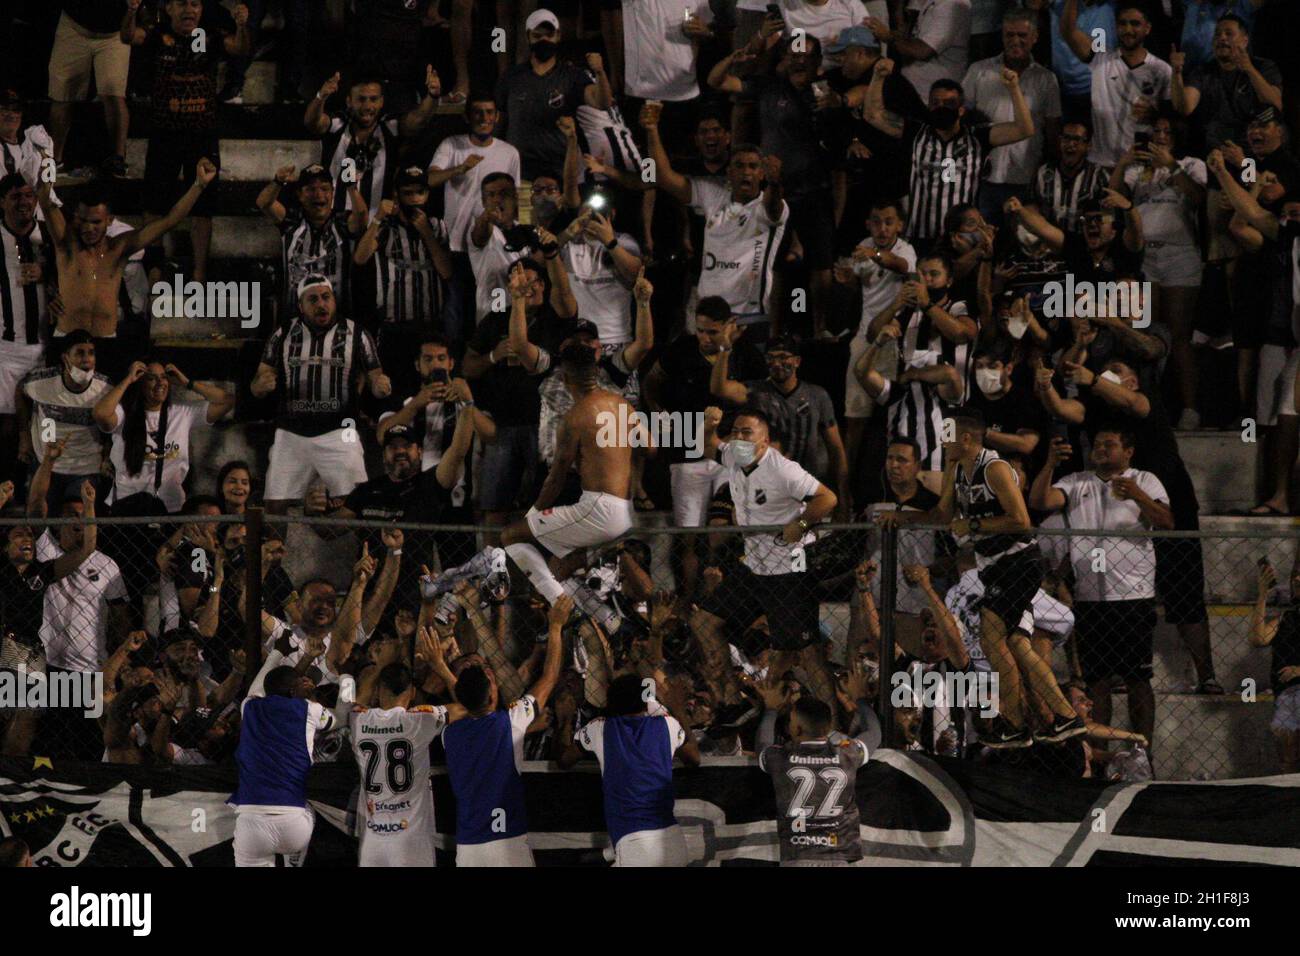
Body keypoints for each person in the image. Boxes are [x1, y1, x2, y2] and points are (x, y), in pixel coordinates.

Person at [881, 408, 1084, 748]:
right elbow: (943, 515)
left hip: (1017, 562)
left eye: (947, 435)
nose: (942, 442)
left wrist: (974, 526)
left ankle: (1016, 722)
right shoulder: (958, 469)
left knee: (992, 638)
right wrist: (902, 519)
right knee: (1017, 643)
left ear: (967, 437)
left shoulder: (996, 468)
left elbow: (1021, 520)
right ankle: (1065, 717)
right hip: (995, 567)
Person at [1029, 429, 1172, 755]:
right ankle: (1100, 758)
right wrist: (1050, 464)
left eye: (1110, 444)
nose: (1102, 449)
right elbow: (1039, 501)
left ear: (1129, 451)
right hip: (1091, 598)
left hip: (1134, 596)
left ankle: (1142, 754)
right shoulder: (1076, 481)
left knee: (1138, 679)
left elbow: (1166, 521)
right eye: (1097, 444)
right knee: (1097, 682)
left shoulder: (1145, 480)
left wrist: (1138, 494)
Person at [695, 405, 839, 697]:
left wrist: (800, 523)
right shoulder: (734, 458)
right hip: (754, 566)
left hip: (790, 567)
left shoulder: (783, 470)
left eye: (747, 432)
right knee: (704, 622)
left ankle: (833, 725)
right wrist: (710, 426)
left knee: (807, 652)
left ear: (764, 439)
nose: (739, 437)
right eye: (735, 431)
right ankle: (733, 699)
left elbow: (827, 498)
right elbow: (710, 447)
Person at [497, 342, 637, 612]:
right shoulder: (622, 405)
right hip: (625, 510)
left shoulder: (575, 417)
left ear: (563, 377)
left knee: (512, 535)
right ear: (596, 372)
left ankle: (561, 605)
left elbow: (556, 477)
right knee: (561, 564)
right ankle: (606, 622)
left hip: (599, 509)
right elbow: (650, 447)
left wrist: (533, 514)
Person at [640, 298, 765, 592]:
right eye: (701, 331)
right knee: (689, 536)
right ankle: (689, 602)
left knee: (725, 532)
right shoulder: (681, 350)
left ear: (729, 327)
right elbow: (651, 382)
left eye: (713, 331)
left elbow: (753, 400)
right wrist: (658, 411)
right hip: (687, 450)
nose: (705, 338)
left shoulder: (746, 354)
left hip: (729, 453)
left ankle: (722, 599)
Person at [120, 0, 250, 283]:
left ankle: (199, 272)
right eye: (181, 4)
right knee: (155, 201)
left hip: (201, 133)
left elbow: (239, 48)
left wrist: (241, 25)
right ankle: (154, 265)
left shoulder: (208, 37)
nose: (189, 10)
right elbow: (129, 37)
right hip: (164, 130)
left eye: (194, 4)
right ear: (168, 8)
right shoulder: (158, 34)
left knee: (203, 206)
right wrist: (131, 11)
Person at [442, 595, 571, 866]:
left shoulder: (448, 734)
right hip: (508, 844)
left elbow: (467, 706)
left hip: (469, 849)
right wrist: (556, 627)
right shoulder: (510, 721)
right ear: (491, 694)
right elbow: (548, 678)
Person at [641, 102, 789, 331]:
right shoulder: (713, 194)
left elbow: (774, 208)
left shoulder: (770, 207)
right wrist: (651, 130)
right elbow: (661, 176)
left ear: (762, 173)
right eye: (740, 166)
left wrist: (775, 182)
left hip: (747, 316)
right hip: (706, 315)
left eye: (753, 166)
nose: (746, 172)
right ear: (729, 172)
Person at [250, 275, 390, 516]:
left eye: (326, 297)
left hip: (341, 429)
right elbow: (256, 385)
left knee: (355, 501)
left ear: (334, 300)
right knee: (275, 504)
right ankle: (271, 551)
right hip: (291, 430)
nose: (321, 304)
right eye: (312, 299)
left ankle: (362, 553)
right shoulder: (282, 334)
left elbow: (376, 375)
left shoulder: (357, 333)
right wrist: (261, 385)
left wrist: (379, 385)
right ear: (300, 306)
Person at [36, 163, 216, 344]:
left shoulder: (118, 249)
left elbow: (170, 220)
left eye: (96, 222)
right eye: (83, 221)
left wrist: (199, 185)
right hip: (67, 341)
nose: (88, 228)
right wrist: (45, 160)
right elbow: (45, 199)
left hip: (107, 341)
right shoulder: (66, 245)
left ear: (109, 220)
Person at [862, 64, 1034, 251]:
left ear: (961, 110)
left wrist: (1014, 88)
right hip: (920, 235)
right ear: (928, 106)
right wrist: (878, 77)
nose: (941, 108)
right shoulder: (915, 133)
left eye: (949, 103)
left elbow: (1024, 129)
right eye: (935, 103)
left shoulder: (977, 137)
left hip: (963, 237)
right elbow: (873, 115)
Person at [1108, 115, 1207, 428]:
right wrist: (1123, 164)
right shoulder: (1138, 170)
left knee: (1179, 335)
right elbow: (1110, 199)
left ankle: (1190, 408)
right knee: (1145, 334)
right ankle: (1146, 405)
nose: (1161, 135)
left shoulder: (1191, 164)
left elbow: (1199, 198)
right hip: (1145, 259)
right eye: (1157, 131)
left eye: (1167, 131)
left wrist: (1172, 166)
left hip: (1181, 256)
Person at [557, 672, 702, 866]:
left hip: (635, 845)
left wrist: (564, 720)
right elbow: (694, 758)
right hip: (673, 841)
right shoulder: (668, 724)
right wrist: (677, 709)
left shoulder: (601, 729)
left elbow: (564, 760)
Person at [350, 632, 465, 867]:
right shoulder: (421, 719)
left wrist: (380, 664)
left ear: (378, 691)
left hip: (373, 842)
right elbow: (467, 706)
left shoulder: (359, 720)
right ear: (412, 693)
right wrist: (440, 665)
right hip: (411, 840)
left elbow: (358, 702)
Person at [229, 637, 346, 866]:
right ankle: (295, 858)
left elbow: (263, 684)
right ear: (295, 690)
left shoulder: (249, 707)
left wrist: (278, 652)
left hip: (251, 822)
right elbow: (342, 716)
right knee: (309, 809)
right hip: (294, 824)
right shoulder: (309, 710)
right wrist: (347, 677)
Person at [709, 332, 850, 511]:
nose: (776, 363)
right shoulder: (756, 392)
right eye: (771, 358)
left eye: (783, 357)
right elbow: (718, 388)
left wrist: (844, 497)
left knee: (804, 532)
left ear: (797, 361)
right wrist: (725, 349)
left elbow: (836, 449)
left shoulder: (817, 396)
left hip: (808, 485)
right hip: (767, 486)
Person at [93, 359, 234, 514]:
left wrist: (187, 382)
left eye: (163, 377)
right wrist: (128, 380)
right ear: (140, 383)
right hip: (128, 506)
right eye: (152, 378)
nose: (160, 383)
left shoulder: (182, 413)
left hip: (171, 508)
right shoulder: (124, 414)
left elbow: (227, 401)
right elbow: (100, 413)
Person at [962, 8, 1063, 224]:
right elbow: (962, 121)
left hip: (1025, 178)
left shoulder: (1046, 79)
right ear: (1002, 36)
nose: (1015, 41)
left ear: (1035, 38)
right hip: (982, 178)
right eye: (1010, 35)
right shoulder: (978, 71)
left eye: (1022, 35)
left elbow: (1052, 131)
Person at [495, 9, 613, 179]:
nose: (544, 40)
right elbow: (500, 122)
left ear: (558, 35)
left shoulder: (572, 76)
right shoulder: (511, 77)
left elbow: (602, 103)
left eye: (549, 35)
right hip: (519, 172)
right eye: (537, 35)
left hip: (561, 172)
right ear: (528, 36)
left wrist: (600, 72)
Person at [1059, 1, 1172, 168]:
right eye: (1122, 23)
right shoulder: (1100, 59)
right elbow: (1069, 32)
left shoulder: (1162, 70)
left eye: (1135, 24)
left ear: (1147, 28)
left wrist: (1155, 114)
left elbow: (1176, 120)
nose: (1128, 30)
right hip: (1100, 163)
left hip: (1140, 165)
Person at [759, 695, 869, 866]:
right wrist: (862, 699)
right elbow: (875, 732)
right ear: (828, 726)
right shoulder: (848, 753)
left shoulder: (780, 757)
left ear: (797, 729)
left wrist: (770, 709)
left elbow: (762, 745)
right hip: (838, 855)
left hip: (797, 856)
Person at [17, 333, 112, 512]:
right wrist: (24, 436)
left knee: (74, 521)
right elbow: (20, 391)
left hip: (86, 468)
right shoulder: (42, 382)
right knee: (39, 517)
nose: (87, 359)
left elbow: (111, 428)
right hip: (46, 464)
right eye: (80, 353)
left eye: (91, 353)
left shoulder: (105, 388)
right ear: (65, 357)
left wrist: (106, 457)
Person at [256, 163, 367, 315]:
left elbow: (361, 218)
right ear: (300, 195)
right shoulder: (292, 220)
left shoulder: (342, 221)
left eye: (324, 188)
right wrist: (277, 181)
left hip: (336, 317)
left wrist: (351, 187)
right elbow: (264, 203)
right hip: (296, 315)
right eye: (311, 189)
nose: (318, 194)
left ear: (332, 193)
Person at [0, 175, 52, 484]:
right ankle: (8, 495)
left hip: (46, 347)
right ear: (2, 202)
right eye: (16, 196)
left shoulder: (48, 235)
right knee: (7, 426)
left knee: (45, 425)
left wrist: (47, 273)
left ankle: (41, 496)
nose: (24, 201)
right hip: (6, 348)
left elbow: (73, 267)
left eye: (29, 196)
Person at [1171, 12, 1282, 151]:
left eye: (1229, 33)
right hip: (1215, 153)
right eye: (1217, 34)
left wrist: (1249, 69)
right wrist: (1176, 73)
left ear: (1245, 41)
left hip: (1253, 152)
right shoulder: (1203, 72)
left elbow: (1275, 104)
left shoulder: (1263, 67)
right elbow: (1185, 108)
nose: (1222, 38)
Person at [47, 0, 133, 176]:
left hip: (114, 33)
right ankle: (55, 159)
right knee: (63, 95)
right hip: (74, 27)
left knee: (114, 94)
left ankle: (118, 158)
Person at [865, 0, 974, 101]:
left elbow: (922, 51)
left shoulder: (951, 4)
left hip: (935, 99)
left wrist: (888, 37)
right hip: (914, 93)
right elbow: (908, 37)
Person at [1250, 559, 1300, 774]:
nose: (1297, 579)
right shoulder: (1285, 618)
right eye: (1295, 575)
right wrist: (1262, 595)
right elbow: (1258, 638)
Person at [1027, 118, 1110, 236]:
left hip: (1083, 242)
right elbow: (1032, 205)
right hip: (1049, 241)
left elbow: (1109, 216)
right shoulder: (1043, 172)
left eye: (1077, 139)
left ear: (1088, 145)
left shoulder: (1099, 176)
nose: (1070, 144)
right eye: (1066, 138)